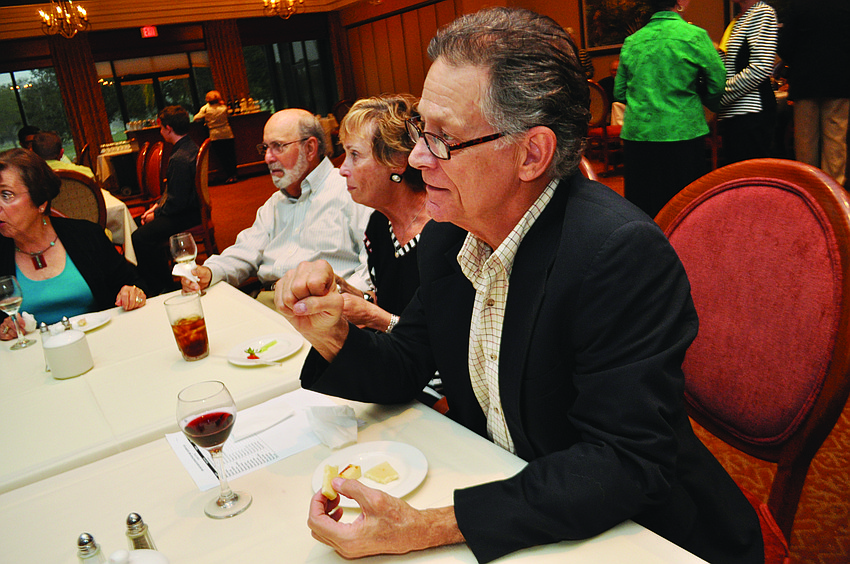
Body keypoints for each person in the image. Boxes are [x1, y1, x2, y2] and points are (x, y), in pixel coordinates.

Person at [275, 7, 762, 564]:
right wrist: (332, 333)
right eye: (418, 131)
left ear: (532, 153)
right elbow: (408, 364)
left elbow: (621, 464)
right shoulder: (450, 235)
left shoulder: (618, 255)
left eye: (442, 139)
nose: (416, 158)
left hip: (639, 534)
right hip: (521, 500)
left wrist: (430, 525)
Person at [182, 109, 370, 304]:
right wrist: (210, 271)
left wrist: (338, 301)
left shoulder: (352, 194)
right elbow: (246, 250)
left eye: (278, 146)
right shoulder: (274, 203)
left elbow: (371, 271)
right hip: (267, 301)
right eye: (265, 148)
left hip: (323, 306)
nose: (268, 158)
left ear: (310, 148)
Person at [0, 149, 146, 337]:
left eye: (6, 195)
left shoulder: (86, 236)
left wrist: (132, 293)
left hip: (101, 339)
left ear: (41, 201)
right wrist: (4, 329)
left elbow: (134, 284)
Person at [615, 0, 726, 218]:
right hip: (683, 132)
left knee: (644, 207)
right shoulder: (694, 36)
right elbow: (718, 81)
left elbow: (619, 92)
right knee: (684, 209)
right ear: (679, 2)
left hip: (639, 136)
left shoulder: (632, 41)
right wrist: (706, 103)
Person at [333, 94, 428, 333]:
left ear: (398, 160)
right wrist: (354, 295)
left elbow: (441, 337)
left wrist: (373, 317)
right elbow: (391, 301)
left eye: (354, 155)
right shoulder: (379, 223)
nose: (342, 169)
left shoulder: (443, 231)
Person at [778, 0, 850, 186]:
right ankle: (834, 191)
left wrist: (799, 61)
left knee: (806, 143)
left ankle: (809, 189)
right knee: (836, 142)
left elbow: (785, 46)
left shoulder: (799, 5)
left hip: (806, 82)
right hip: (840, 82)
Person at [132, 105, 201, 295]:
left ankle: (161, 285)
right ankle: (157, 280)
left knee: (140, 236)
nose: (160, 131)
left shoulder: (179, 158)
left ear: (168, 128)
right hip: (189, 209)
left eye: (161, 127)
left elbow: (176, 202)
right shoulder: (190, 147)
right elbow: (173, 191)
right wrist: (156, 207)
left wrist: (156, 214)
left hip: (185, 214)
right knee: (137, 223)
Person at [717, 0, 779, 164]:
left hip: (752, 114)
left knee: (752, 174)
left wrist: (722, 95)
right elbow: (729, 67)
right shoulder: (738, 20)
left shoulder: (762, 12)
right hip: (734, 114)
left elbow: (760, 68)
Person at [194, 90, 239, 184]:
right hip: (227, 133)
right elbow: (230, 114)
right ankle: (234, 174)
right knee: (231, 155)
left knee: (222, 157)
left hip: (215, 135)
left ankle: (229, 175)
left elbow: (196, 118)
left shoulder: (205, 109)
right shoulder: (223, 107)